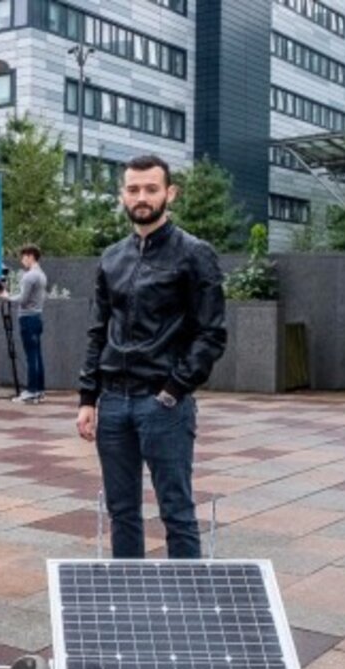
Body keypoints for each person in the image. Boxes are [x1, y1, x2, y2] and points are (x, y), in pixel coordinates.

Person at [74, 155, 226, 560]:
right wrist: (88, 398)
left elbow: (212, 333)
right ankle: (129, 602)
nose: (142, 197)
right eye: (134, 189)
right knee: (121, 510)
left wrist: (174, 389)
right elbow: (98, 329)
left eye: (151, 189)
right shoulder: (111, 257)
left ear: (169, 193)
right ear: (123, 195)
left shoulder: (195, 254)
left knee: (176, 511)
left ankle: (185, 608)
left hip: (163, 404)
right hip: (114, 403)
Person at [12, 244, 48, 404]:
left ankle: (31, 390)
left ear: (30, 256)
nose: (22, 261)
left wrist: (6, 296)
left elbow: (23, 299)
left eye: (23, 257)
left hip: (27, 318)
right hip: (37, 317)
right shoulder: (42, 275)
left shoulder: (30, 276)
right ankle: (39, 389)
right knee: (37, 355)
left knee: (31, 356)